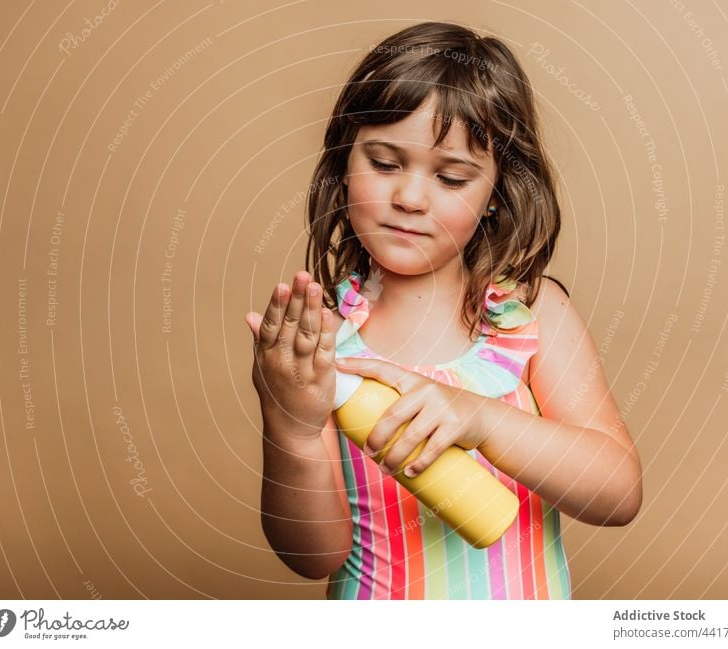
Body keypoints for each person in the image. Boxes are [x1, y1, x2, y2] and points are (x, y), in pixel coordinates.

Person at [245, 21, 642, 599]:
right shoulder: (323, 338)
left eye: (452, 177)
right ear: (343, 162)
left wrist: (484, 419)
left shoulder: (530, 316)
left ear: (495, 195)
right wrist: (293, 430)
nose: (409, 198)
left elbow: (618, 493)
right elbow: (313, 555)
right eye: (384, 164)